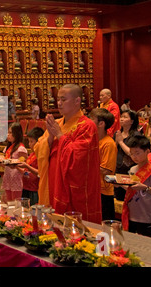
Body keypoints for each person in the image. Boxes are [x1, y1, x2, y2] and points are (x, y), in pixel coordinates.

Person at [34, 84, 101, 223]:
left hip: (71, 187)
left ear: (77, 101)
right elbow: (38, 149)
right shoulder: (57, 123)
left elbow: (79, 157)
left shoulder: (87, 126)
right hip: (53, 181)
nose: (59, 103)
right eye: (58, 99)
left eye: (63, 99)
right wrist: (51, 138)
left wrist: (59, 135)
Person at [120, 135, 151, 237]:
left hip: (145, 215)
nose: (134, 156)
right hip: (131, 212)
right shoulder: (132, 169)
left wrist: (145, 187)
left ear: (147, 151)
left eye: (137, 153)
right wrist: (120, 184)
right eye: (132, 154)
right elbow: (132, 189)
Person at [89, 108, 118, 221]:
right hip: (92, 188)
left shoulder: (108, 143)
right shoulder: (92, 140)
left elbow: (106, 170)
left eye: (92, 120)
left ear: (101, 124)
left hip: (103, 191)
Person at [113, 109, 141, 201]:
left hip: (130, 169)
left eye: (125, 117)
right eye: (121, 117)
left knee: (130, 198)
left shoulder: (136, 135)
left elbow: (131, 153)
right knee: (118, 198)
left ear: (132, 121)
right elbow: (114, 150)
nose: (121, 119)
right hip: (118, 167)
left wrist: (120, 142)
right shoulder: (118, 133)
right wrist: (116, 143)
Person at [1, 123, 28, 201]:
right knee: (8, 201)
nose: (8, 135)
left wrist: (13, 164)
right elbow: (4, 165)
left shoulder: (21, 149)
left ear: (17, 134)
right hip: (8, 176)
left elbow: (24, 166)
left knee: (16, 202)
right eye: (8, 132)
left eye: (10, 133)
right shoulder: (8, 147)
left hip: (16, 177)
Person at [18, 127, 44, 205]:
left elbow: (40, 173)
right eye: (28, 141)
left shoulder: (41, 156)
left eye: (31, 141)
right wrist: (16, 166)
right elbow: (26, 171)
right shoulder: (32, 154)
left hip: (34, 189)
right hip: (25, 187)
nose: (29, 144)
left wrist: (27, 166)